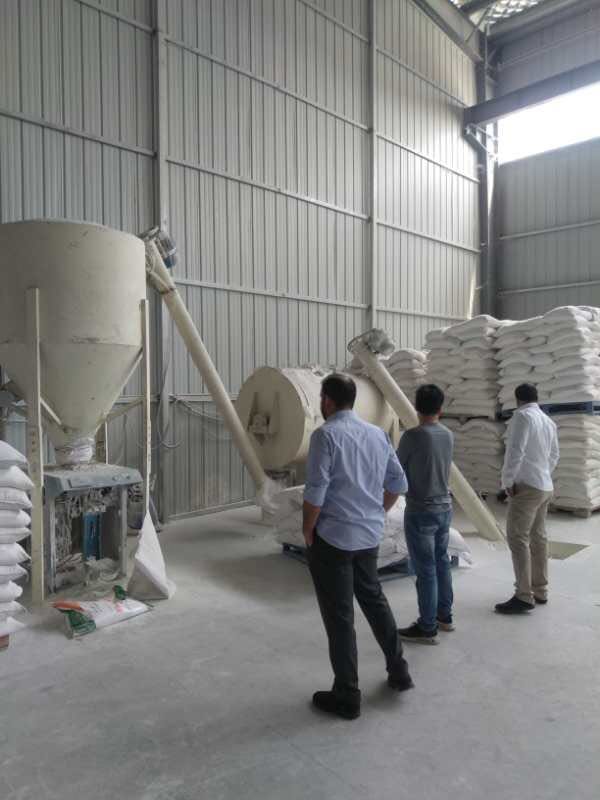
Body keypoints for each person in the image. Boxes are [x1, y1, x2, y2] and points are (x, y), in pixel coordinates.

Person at [303, 373, 413, 721]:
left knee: (340, 617)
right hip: (368, 536)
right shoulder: (377, 434)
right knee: (374, 600)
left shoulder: (325, 435)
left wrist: (307, 529)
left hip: (334, 538)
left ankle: (347, 694)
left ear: (327, 401)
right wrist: (376, 512)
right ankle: (399, 669)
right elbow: (398, 483)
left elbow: (316, 490)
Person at [396, 384, 454, 645]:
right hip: (445, 508)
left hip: (420, 510)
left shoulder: (412, 436)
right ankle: (444, 617)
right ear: (441, 408)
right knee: (442, 563)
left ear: (416, 407)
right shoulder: (448, 435)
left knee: (426, 570)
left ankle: (427, 627)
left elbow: (396, 470)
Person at [495, 383, 559, 614]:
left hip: (527, 488)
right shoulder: (548, 421)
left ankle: (523, 595)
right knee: (538, 537)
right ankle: (540, 590)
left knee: (517, 537)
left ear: (518, 399)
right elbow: (554, 455)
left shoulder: (522, 416)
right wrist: (543, 473)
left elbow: (515, 451)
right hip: (544, 486)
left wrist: (507, 482)